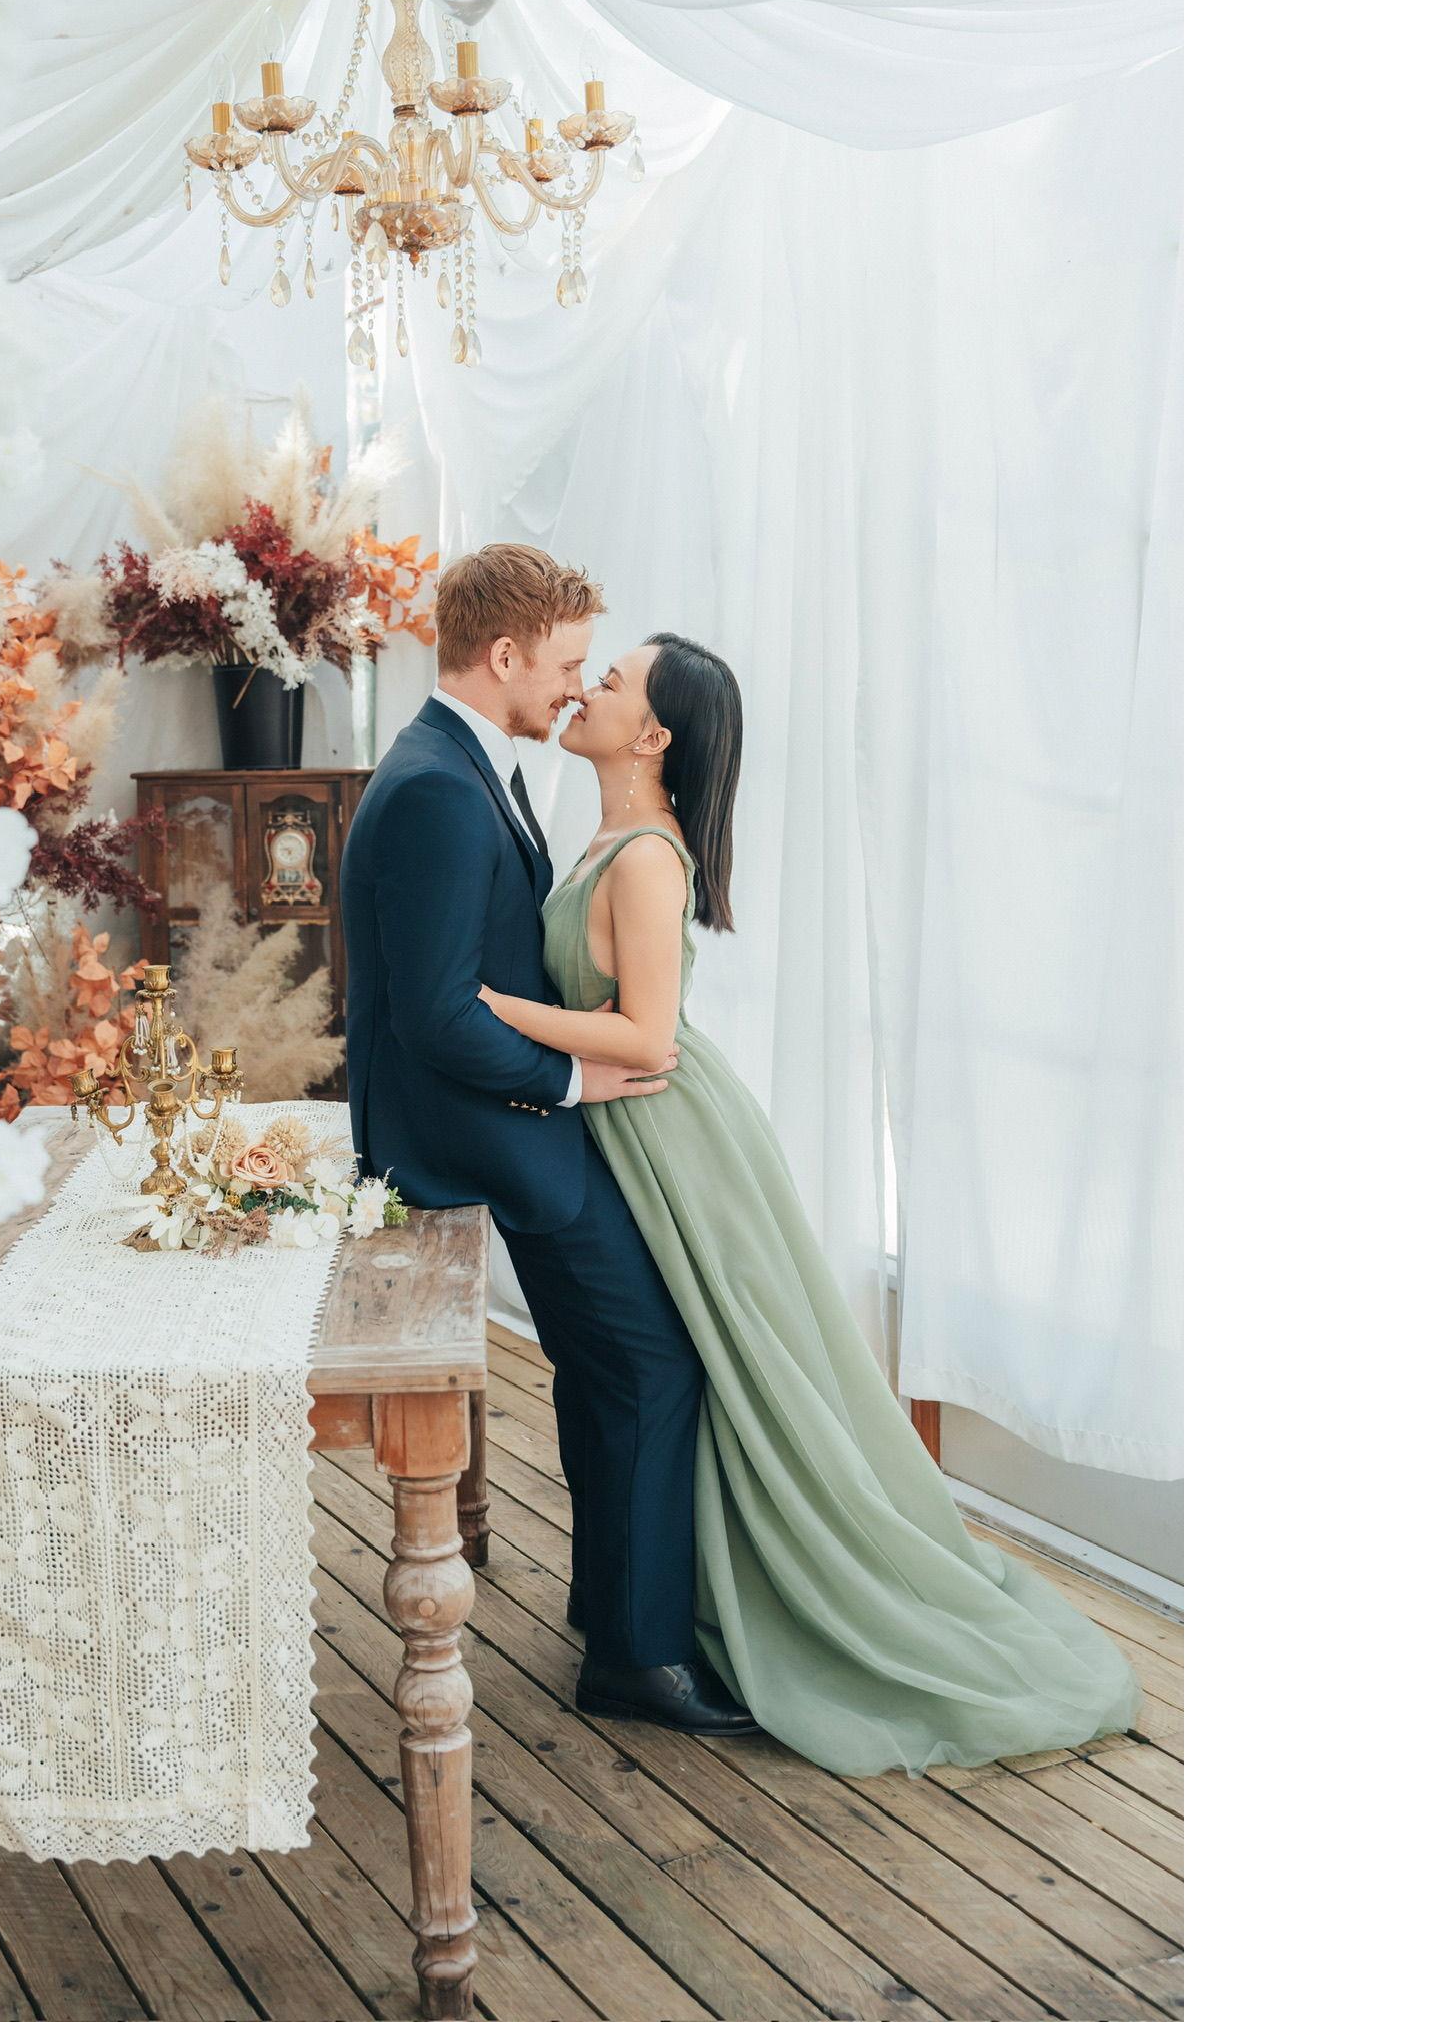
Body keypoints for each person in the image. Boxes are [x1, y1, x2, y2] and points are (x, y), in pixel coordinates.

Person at [476, 631, 1141, 1773]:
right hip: (628, 1130)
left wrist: (490, 1010)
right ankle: (637, 1601)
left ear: (653, 735)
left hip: (676, 1140)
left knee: (738, 1363)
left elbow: (647, 1036)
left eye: (613, 681)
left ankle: (711, 1613)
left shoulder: (648, 857)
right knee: (657, 1366)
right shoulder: (608, 833)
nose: (586, 688)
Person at [341, 547, 756, 1732]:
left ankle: (617, 1611)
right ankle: (637, 1654)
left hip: (499, 1119)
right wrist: (573, 1079)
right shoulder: (438, 784)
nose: (577, 686)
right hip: (483, 1132)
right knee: (650, 1362)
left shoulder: (463, 763)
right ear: (505, 654)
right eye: (570, 664)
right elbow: (435, 1014)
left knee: (611, 1360)